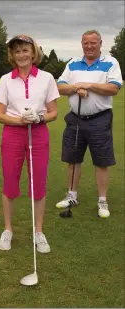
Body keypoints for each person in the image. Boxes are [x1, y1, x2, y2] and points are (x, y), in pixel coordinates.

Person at [0, 35, 59, 252]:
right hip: (12, 134)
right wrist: (19, 120)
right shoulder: (5, 79)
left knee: (38, 183)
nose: (21, 54)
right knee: (10, 181)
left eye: (25, 50)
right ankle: (8, 230)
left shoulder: (47, 78)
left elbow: (53, 112)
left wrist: (39, 118)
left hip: (39, 134)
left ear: (33, 53)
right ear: (12, 55)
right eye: (17, 51)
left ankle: (38, 232)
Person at [56, 30, 122, 218]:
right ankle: (72, 196)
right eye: (86, 43)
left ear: (100, 43)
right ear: (82, 43)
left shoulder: (110, 62)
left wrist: (88, 85)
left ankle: (102, 200)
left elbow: (114, 88)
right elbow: (60, 87)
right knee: (73, 159)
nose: (89, 46)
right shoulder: (72, 63)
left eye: (93, 43)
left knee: (101, 162)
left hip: (99, 119)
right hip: (75, 118)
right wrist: (77, 87)